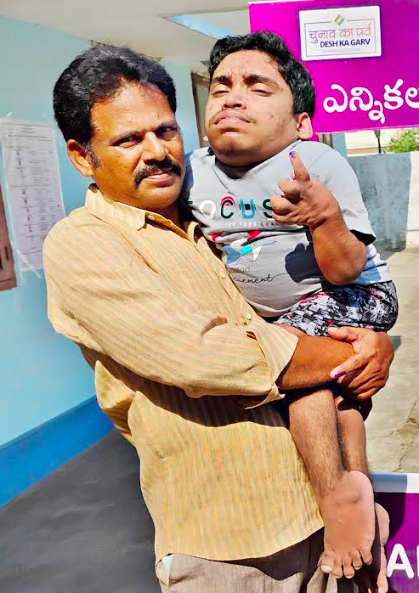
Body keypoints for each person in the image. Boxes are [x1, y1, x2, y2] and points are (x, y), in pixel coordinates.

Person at [44, 44, 393, 592]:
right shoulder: (83, 245)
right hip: (230, 550)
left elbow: (334, 276)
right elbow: (205, 356)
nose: (157, 152)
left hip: (325, 524)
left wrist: (374, 340)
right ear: (83, 156)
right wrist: (355, 352)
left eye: (165, 131)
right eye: (128, 140)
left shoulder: (203, 213)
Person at [184, 31, 396, 585]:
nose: (233, 98)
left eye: (258, 88)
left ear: (300, 120)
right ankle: (360, 493)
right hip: (286, 311)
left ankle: (337, 504)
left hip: (355, 292)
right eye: (222, 86)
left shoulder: (317, 161)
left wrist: (323, 217)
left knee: (298, 369)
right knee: (339, 389)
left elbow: (349, 267)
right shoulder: (192, 173)